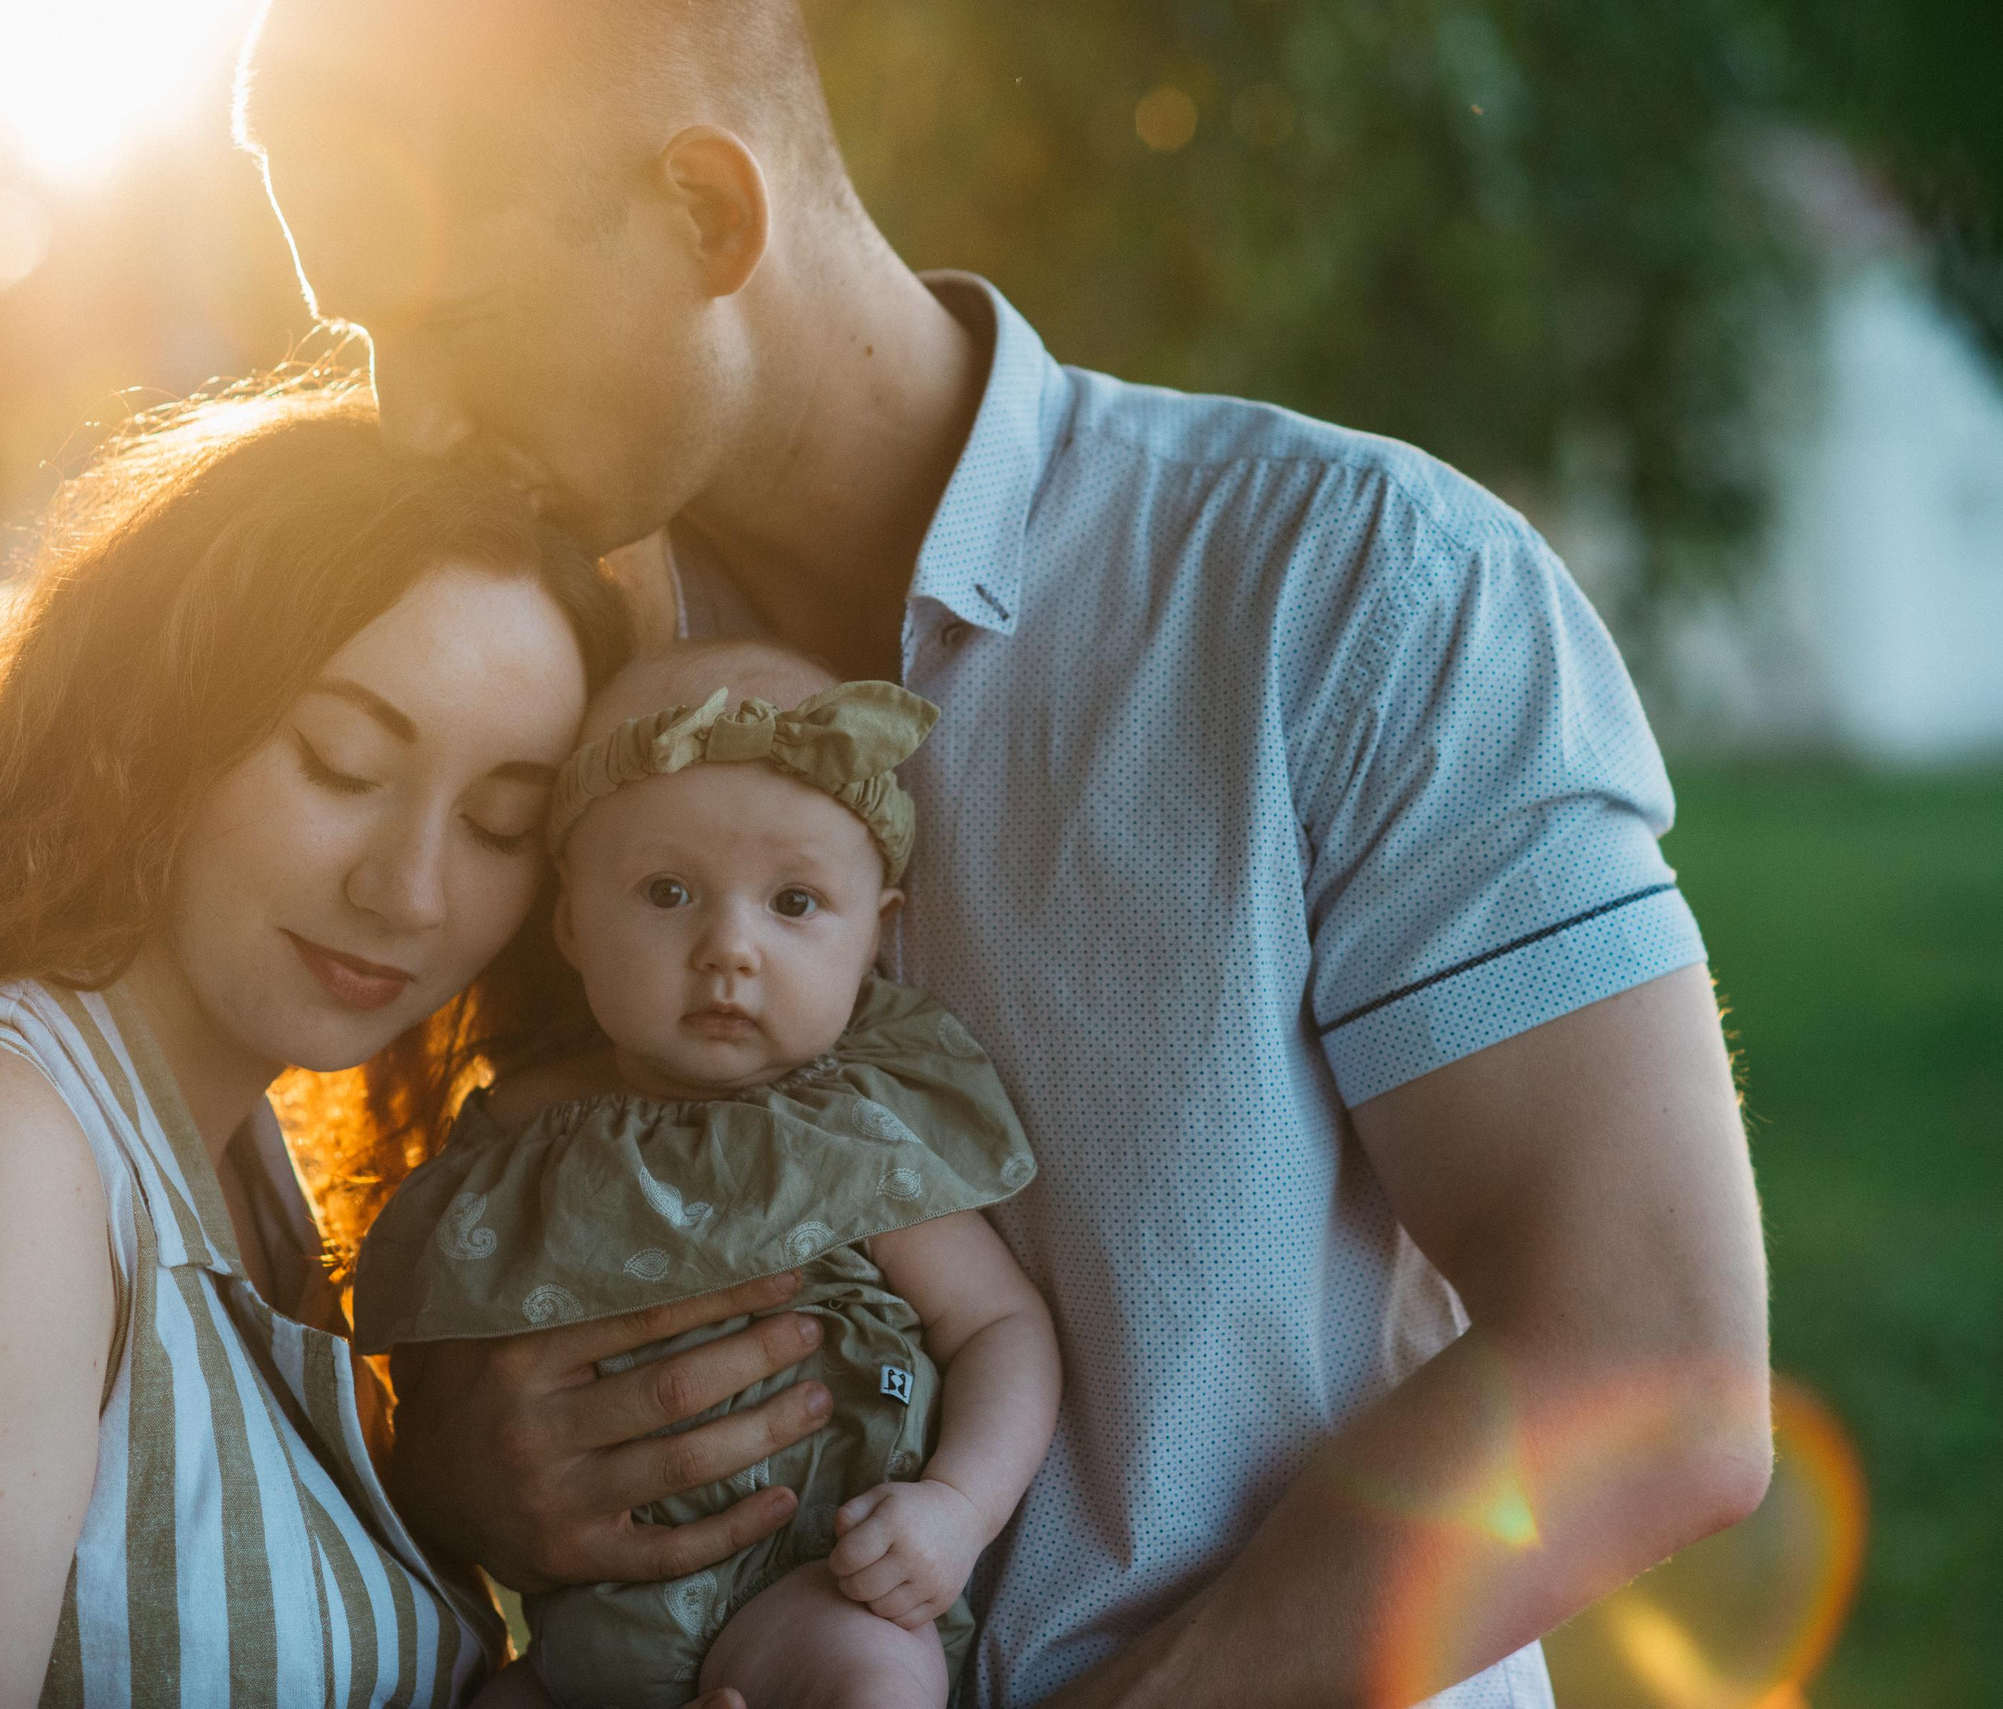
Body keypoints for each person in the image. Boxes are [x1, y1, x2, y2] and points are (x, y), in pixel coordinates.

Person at [233, 5, 1776, 1706]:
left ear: (704, 215)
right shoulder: (539, 689)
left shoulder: (1361, 594)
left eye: (449, 323)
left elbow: (1659, 1367)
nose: (412, 419)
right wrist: (462, 1458)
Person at [0, 373, 713, 1706]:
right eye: (343, 764)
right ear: (144, 731)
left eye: (499, 825)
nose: (410, 889)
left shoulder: (248, 1172)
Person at [352, 640, 1060, 1709]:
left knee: (875, 1688)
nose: (729, 946)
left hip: (819, 1581)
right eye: (669, 889)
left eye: (794, 902)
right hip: (591, 1618)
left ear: (876, 934)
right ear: (570, 921)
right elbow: (444, 1357)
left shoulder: (850, 1126)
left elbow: (999, 1326)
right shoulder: (512, 1136)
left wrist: (956, 1507)